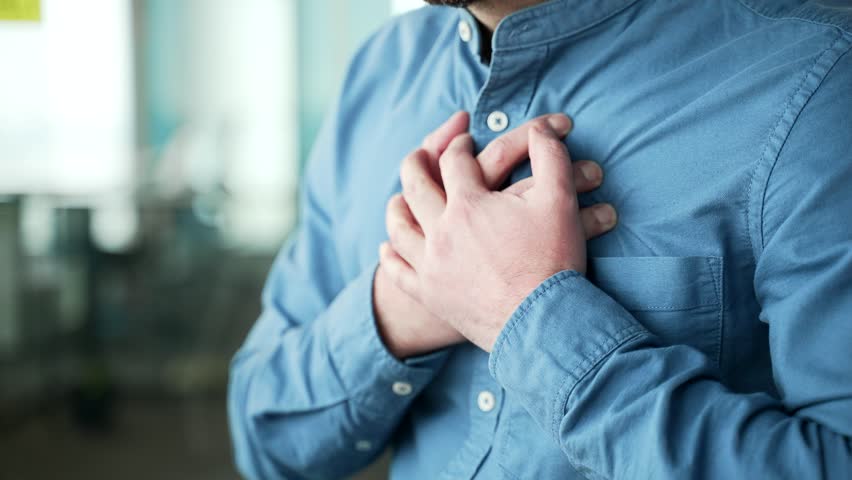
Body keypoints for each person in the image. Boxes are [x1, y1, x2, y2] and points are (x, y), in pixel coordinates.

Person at [228, 0, 852, 478]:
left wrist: (527, 316)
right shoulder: (379, 72)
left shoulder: (820, 81)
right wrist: (401, 306)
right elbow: (267, 445)